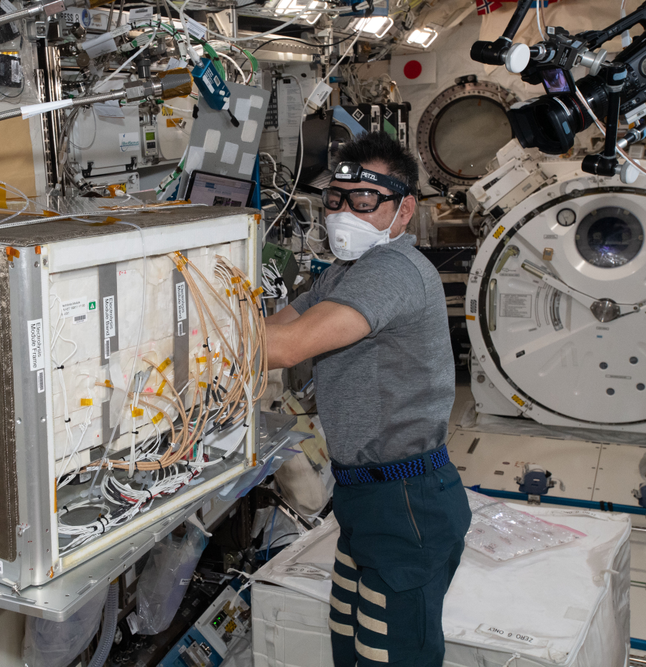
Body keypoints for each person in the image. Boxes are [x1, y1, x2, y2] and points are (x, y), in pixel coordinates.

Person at [265, 131, 472, 666]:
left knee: (390, 653)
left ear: (403, 212)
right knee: (352, 644)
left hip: (407, 499)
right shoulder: (344, 272)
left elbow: (285, 348)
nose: (342, 214)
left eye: (363, 201)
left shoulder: (391, 272)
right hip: (363, 494)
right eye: (336, 199)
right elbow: (277, 325)